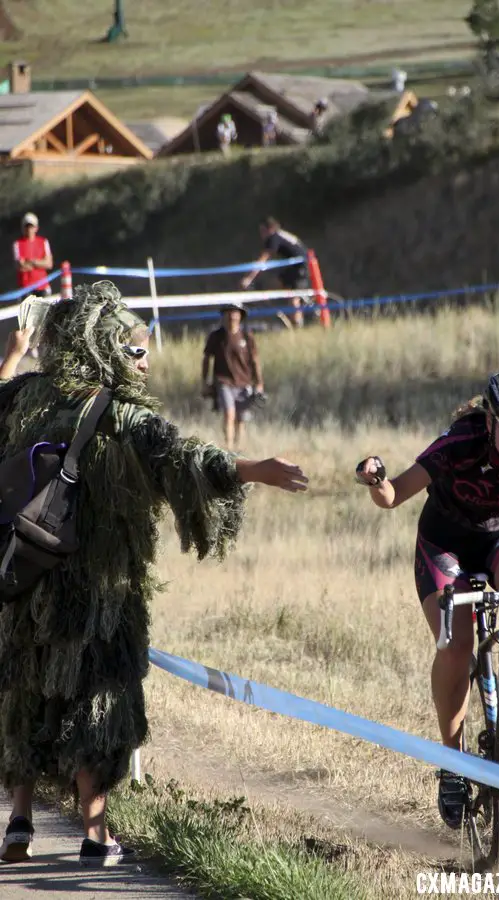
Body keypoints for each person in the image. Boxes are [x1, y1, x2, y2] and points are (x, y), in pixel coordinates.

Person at [0, 281, 307, 867]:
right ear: (105, 350)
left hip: (26, 578)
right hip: (99, 593)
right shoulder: (119, 415)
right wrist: (254, 469)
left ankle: (19, 822)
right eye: (135, 350)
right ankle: (95, 837)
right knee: (101, 701)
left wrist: (13, 354)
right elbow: (184, 459)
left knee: (25, 695)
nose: (145, 360)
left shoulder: (27, 399)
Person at [355, 369, 499, 829]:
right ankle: (452, 761)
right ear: (490, 422)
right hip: (445, 545)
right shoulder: (459, 442)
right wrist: (376, 477)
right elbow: (393, 496)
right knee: (457, 645)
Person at [202, 302, 264, 451]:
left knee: (241, 418)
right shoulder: (216, 336)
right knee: (229, 413)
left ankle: (239, 447)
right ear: (223, 316)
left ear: (240, 316)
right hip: (224, 381)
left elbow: (255, 360)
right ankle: (228, 446)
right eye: (228, 313)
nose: (231, 316)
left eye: (235, 313)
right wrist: (205, 381)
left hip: (244, 382)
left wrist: (259, 382)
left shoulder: (247, 337)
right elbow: (206, 359)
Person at [240, 217, 309, 328]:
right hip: (296, 265)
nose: (261, 235)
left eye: (263, 231)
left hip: (298, 267)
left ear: (270, 229)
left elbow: (263, 259)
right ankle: (287, 314)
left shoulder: (274, 237)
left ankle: (297, 324)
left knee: (293, 295)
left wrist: (249, 278)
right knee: (275, 284)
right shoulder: (280, 235)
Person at [13, 212, 53, 298]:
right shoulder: (18, 244)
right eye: (26, 226)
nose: (29, 229)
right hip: (25, 288)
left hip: (42, 287)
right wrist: (40, 263)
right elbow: (20, 267)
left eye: (31, 226)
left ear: (36, 228)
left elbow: (49, 264)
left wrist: (31, 262)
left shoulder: (43, 242)